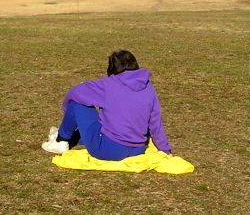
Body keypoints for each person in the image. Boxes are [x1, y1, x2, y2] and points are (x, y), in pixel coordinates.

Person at [41, 50, 172, 161]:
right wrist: (165, 149)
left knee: (76, 104)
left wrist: (67, 111)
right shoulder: (148, 86)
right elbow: (155, 121)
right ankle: (65, 135)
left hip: (108, 150)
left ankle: (60, 140)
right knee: (104, 122)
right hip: (137, 150)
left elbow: (76, 92)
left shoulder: (109, 84)